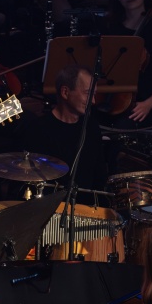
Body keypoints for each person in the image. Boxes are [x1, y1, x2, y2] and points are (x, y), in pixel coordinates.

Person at [17, 64, 108, 202]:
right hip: (48, 208)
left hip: (86, 210)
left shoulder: (91, 127)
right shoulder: (38, 129)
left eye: (94, 95)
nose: (93, 101)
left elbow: (99, 177)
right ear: (65, 92)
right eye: (88, 94)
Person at [100, 0, 152, 135]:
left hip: (145, 101)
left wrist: (147, 104)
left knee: (119, 129)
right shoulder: (111, 26)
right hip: (110, 97)